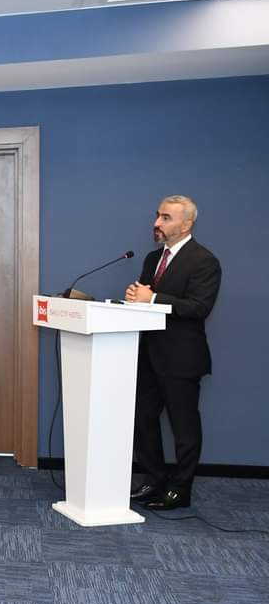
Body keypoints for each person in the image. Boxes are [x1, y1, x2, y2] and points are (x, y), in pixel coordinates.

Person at [126, 195, 221, 510]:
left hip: (182, 359)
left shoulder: (204, 261)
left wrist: (152, 299)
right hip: (149, 355)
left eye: (165, 218)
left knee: (184, 429)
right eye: (157, 216)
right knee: (142, 419)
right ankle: (154, 480)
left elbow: (199, 307)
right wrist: (135, 297)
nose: (157, 223)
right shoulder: (153, 258)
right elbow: (145, 297)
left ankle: (180, 490)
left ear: (186, 224)